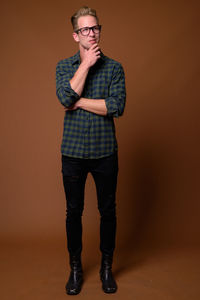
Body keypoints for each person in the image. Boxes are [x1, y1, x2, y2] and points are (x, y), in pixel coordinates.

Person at [56, 6, 126, 295]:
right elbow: (63, 97)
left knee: (107, 211)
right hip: (72, 153)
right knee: (74, 212)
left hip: (105, 152)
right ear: (76, 35)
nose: (92, 33)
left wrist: (80, 101)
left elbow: (116, 106)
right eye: (85, 29)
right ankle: (75, 268)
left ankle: (106, 267)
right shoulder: (64, 66)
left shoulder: (114, 68)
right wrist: (84, 65)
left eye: (95, 27)